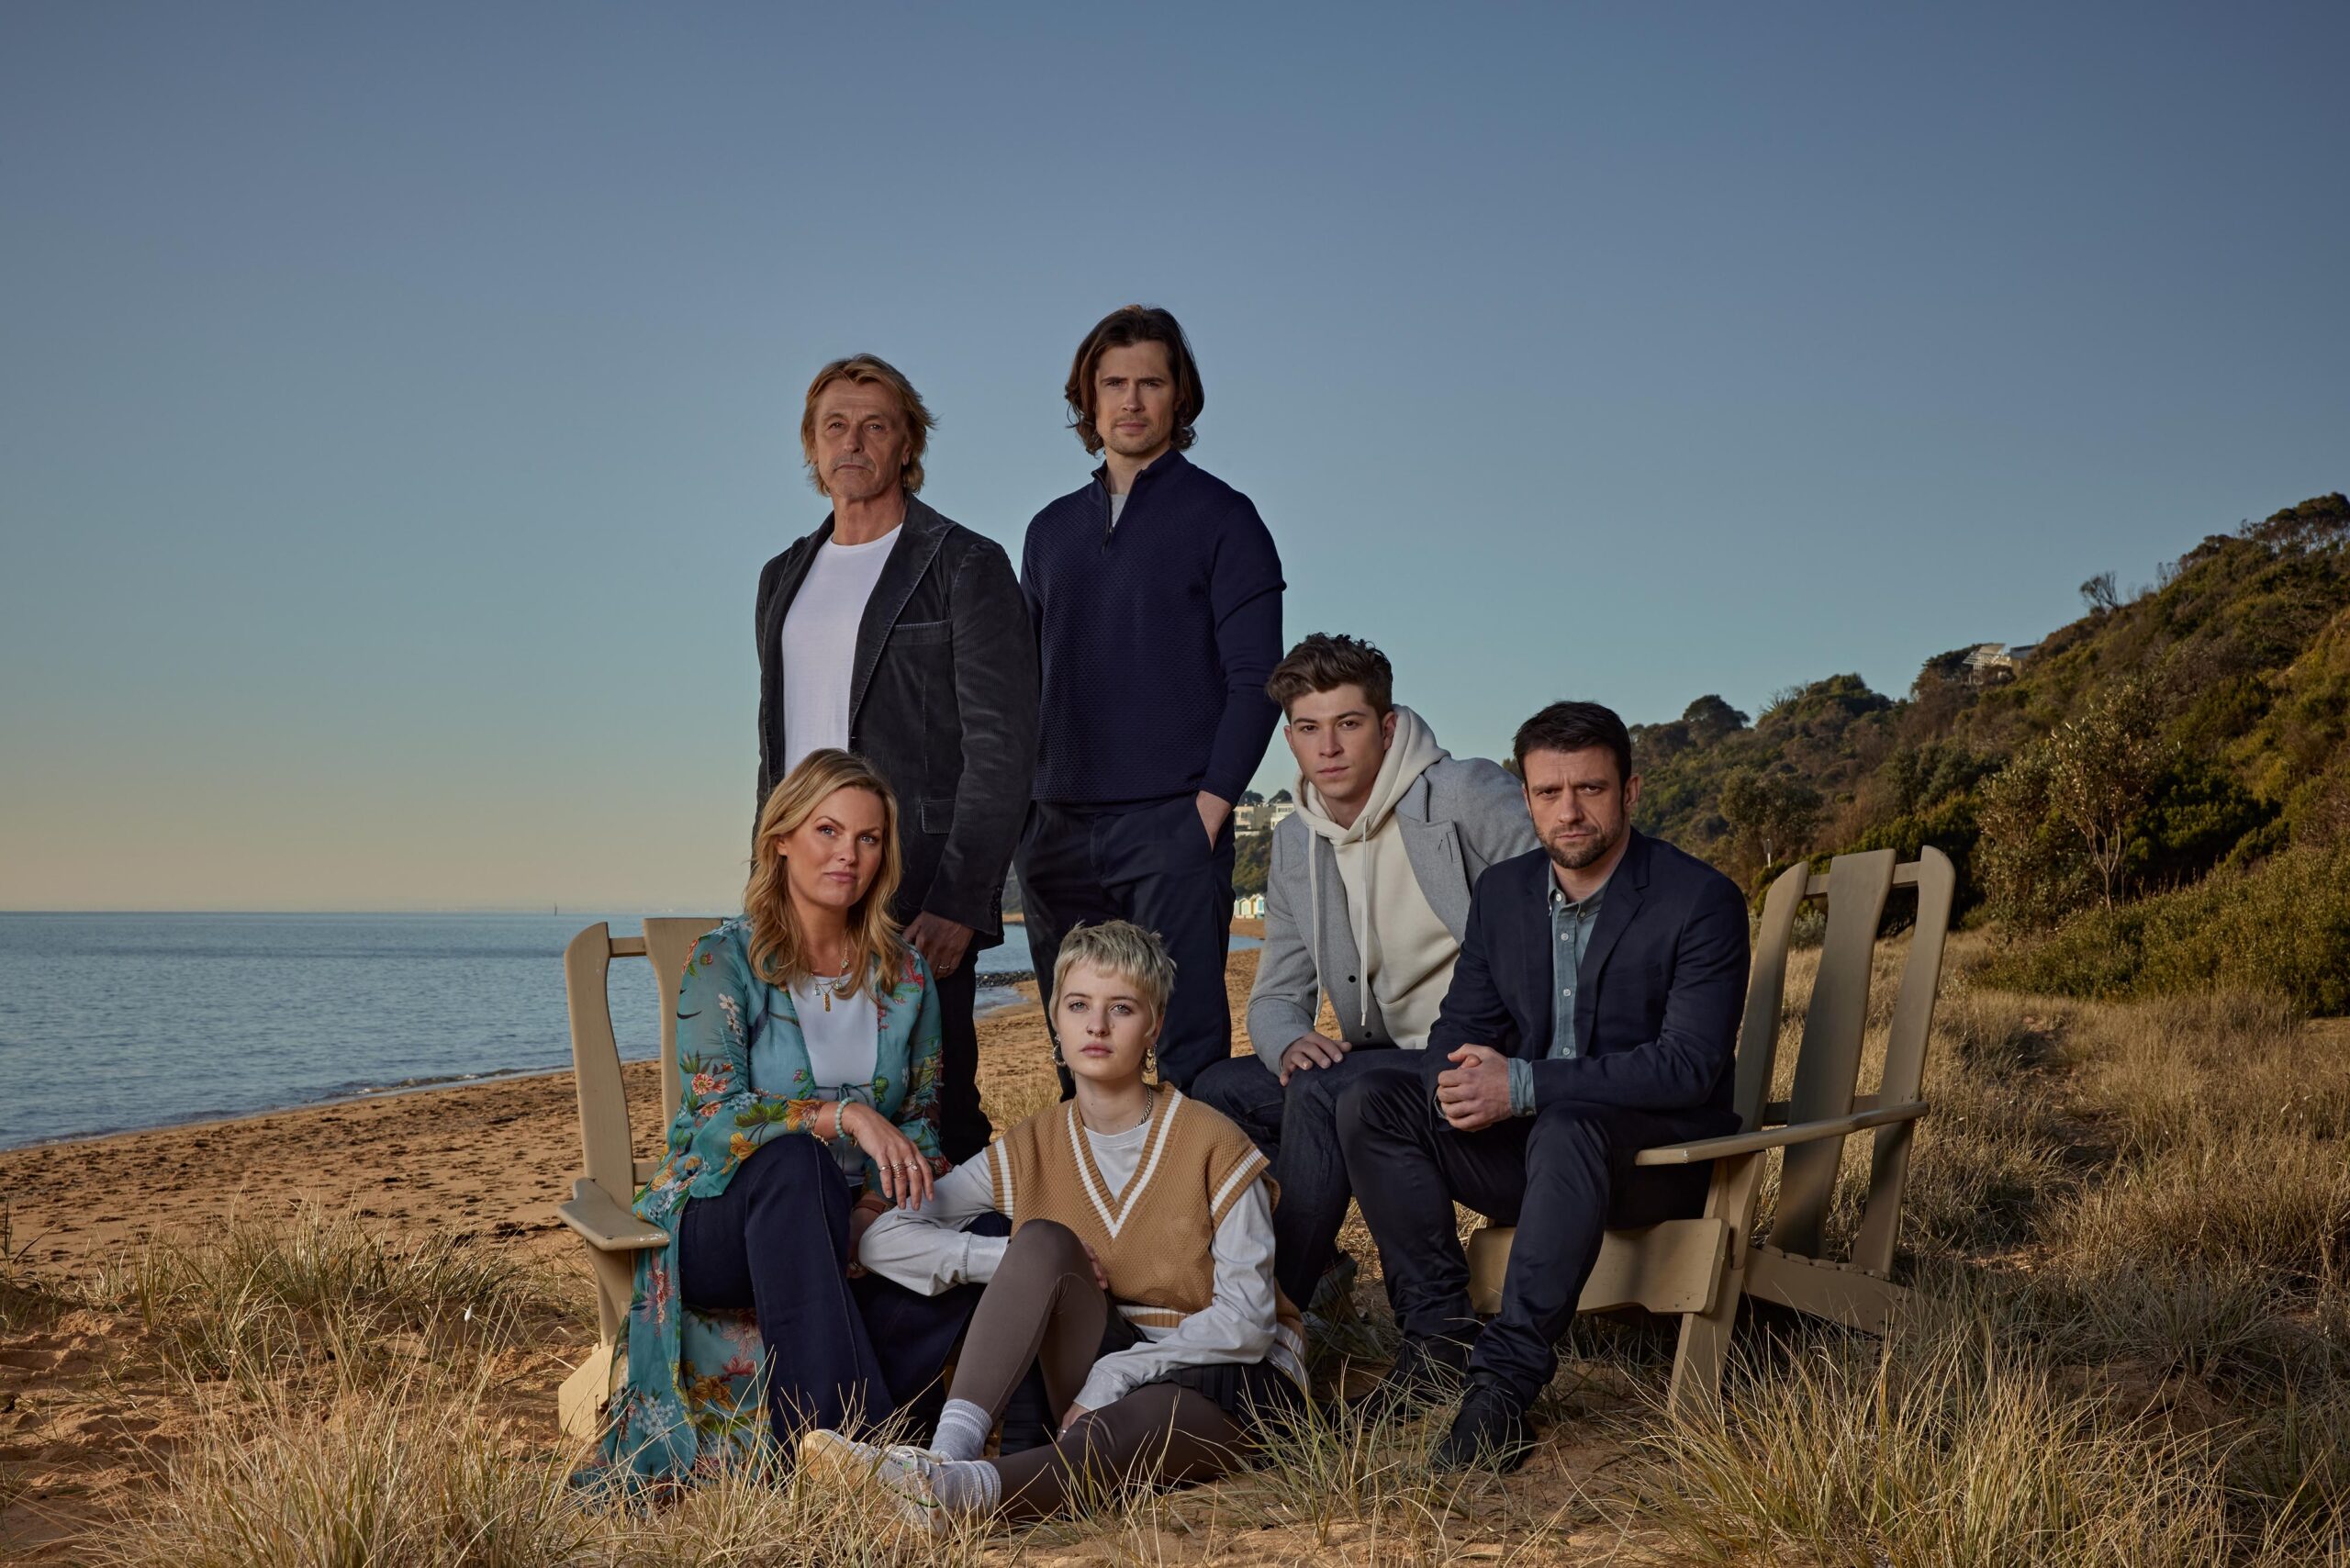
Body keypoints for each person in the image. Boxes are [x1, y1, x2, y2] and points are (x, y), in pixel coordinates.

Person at [1337, 701, 1749, 1472]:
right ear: (1525, 799)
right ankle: (1437, 1345)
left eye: (1590, 788)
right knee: (1374, 1100)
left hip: (1654, 1167)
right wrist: (1458, 1086)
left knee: (1565, 1124)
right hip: (1531, 1161)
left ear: (1630, 792)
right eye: (1549, 792)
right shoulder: (1504, 894)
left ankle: (1501, 1391)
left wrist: (1522, 1085)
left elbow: (1687, 1066)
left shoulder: (1699, 900)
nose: (1570, 811)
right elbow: (1460, 1029)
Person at [801, 920, 1307, 1530]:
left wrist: (1117, 1372)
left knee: (1118, 1428)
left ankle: (953, 1497)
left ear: (1154, 1027)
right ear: (1056, 1023)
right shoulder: (1034, 1145)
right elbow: (884, 1238)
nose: (1097, 1026)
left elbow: (1248, 1322)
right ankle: (945, 1458)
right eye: (1078, 1006)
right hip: (1102, 1362)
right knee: (1039, 1241)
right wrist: (1000, 1260)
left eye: (1122, 1008)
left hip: (1230, 1377)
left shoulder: (1213, 1141)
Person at [599, 749, 981, 1480]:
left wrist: (870, 1209)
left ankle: (863, 1444)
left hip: (852, 1225)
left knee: (989, 1235)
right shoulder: (724, 960)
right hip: (724, 1219)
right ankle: (855, 1451)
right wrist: (846, 1117)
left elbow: (924, 1122)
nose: (849, 855)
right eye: (827, 831)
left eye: (869, 839)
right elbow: (717, 1114)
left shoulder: (905, 974)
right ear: (780, 840)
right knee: (796, 1163)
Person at [1191, 633, 1534, 1316]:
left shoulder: (1466, 795)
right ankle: (1321, 1273)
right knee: (1219, 1091)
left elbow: (1554, 919)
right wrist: (1288, 1041)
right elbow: (1277, 993)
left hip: (1480, 1055)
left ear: (1387, 727)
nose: (1329, 747)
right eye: (1309, 729)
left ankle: (1268, 1314)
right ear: (1289, 739)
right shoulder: (1296, 840)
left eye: (1348, 723)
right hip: (1386, 1056)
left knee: (1323, 1092)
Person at [756, 353, 1038, 1163]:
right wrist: (765, 873)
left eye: (875, 425)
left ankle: (970, 1244)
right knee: (805, 1100)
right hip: (800, 885)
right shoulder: (781, 578)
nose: (852, 442)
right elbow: (774, 747)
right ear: (812, 446)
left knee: (939, 1109)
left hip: (915, 888)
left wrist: (962, 900)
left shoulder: (965, 564)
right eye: (834, 426)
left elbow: (1003, 747)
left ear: (907, 443)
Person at [1016, 306, 1285, 1094]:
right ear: (1088, 400)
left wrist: (1208, 809)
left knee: (1191, 1058)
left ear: (1179, 397)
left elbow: (1258, 678)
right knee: (1081, 1062)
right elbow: (1022, 686)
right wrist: (1024, 820)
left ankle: (1200, 1183)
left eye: (1151, 383)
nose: (1131, 401)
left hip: (1173, 825)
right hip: (1056, 832)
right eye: (1113, 384)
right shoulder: (1048, 532)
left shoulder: (1225, 519)